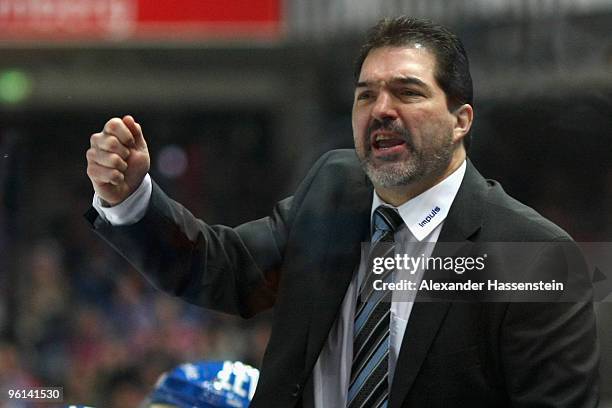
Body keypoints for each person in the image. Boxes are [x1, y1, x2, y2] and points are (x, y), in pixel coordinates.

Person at [85, 17, 599, 407]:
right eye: (366, 95)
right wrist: (131, 197)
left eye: (408, 92)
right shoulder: (333, 190)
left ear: (461, 118)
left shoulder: (531, 255)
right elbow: (221, 268)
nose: (381, 109)